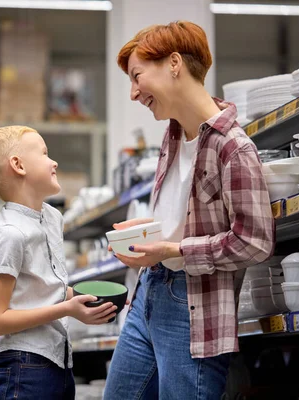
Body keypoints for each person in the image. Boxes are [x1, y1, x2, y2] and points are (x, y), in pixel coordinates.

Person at [103, 21, 275, 399]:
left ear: (175, 63)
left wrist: (176, 250)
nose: (133, 93)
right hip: (149, 293)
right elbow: (185, 221)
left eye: (136, 77)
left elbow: (255, 242)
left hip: (192, 305)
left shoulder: (233, 148)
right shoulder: (173, 135)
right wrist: (150, 233)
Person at [0, 125, 120, 400]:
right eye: (44, 153)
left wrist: (86, 301)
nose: (54, 161)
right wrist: (65, 309)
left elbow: (42, 290)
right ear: (18, 165)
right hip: (22, 365)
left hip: (57, 361)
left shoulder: (51, 218)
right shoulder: (10, 233)